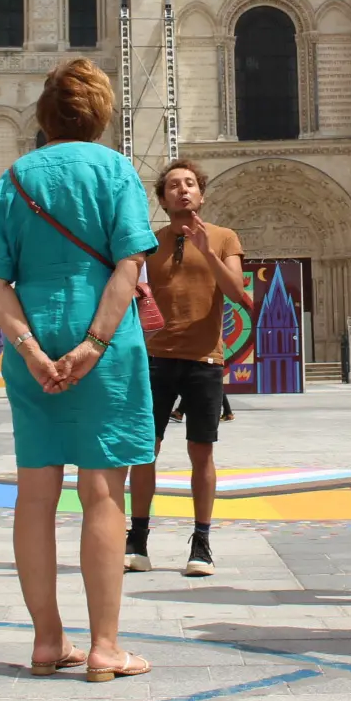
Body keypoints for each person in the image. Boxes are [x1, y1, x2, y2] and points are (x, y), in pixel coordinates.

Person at [0, 60, 158, 683]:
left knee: (36, 493)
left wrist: (26, 347)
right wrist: (94, 345)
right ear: (101, 113)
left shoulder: (16, 177)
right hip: (102, 344)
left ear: (44, 118)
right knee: (102, 492)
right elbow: (128, 267)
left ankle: (48, 640)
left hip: (35, 338)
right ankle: (105, 646)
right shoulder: (115, 171)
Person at [125, 160, 252, 578]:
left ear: (202, 193)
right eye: (174, 186)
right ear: (162, 198)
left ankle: (201, 543)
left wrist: (206, 250)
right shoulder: (149, 242)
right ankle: (137, 540)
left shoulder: (223, 237)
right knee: (146, 451)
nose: (183, 191)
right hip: (155, 359)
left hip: (205, 361)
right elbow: (133, 296)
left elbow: (238, 293)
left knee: (202, 451)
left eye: (191, 184)